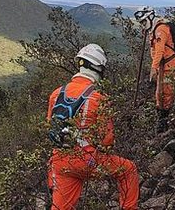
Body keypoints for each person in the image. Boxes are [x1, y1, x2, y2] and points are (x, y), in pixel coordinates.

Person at [47, 43, 139, 210]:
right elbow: (107, 140)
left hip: (59, 161)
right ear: (98, 68)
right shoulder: (98, 97)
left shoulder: (56, 93)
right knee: (128, 170)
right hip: (86, 159)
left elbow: (49, 126)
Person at [135, 7, 175, 132]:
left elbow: (160, 50)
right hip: (164, 66)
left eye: (144, 22)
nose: (143, 25)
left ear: (150, 17)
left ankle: (165, 122)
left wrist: (153, 68)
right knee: (160, 93)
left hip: (170, 66)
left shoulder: (161, 29)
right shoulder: (154, 30)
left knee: (167, 93)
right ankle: (162, 120)